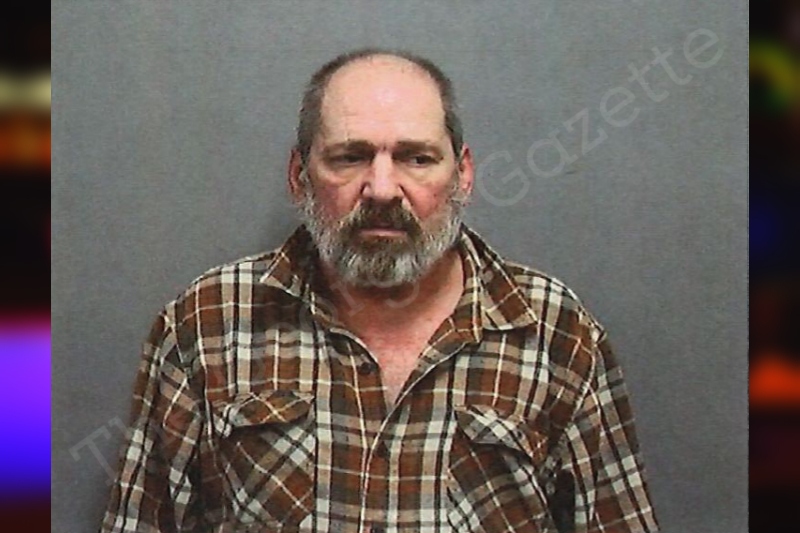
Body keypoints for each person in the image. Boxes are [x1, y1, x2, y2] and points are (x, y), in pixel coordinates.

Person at [102, 49, 659, 533]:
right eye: (351, 157)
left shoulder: (556, 333)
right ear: (299, 175)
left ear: (463, 175)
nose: (383, 188)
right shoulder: (207, 326)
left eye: (417, 158)